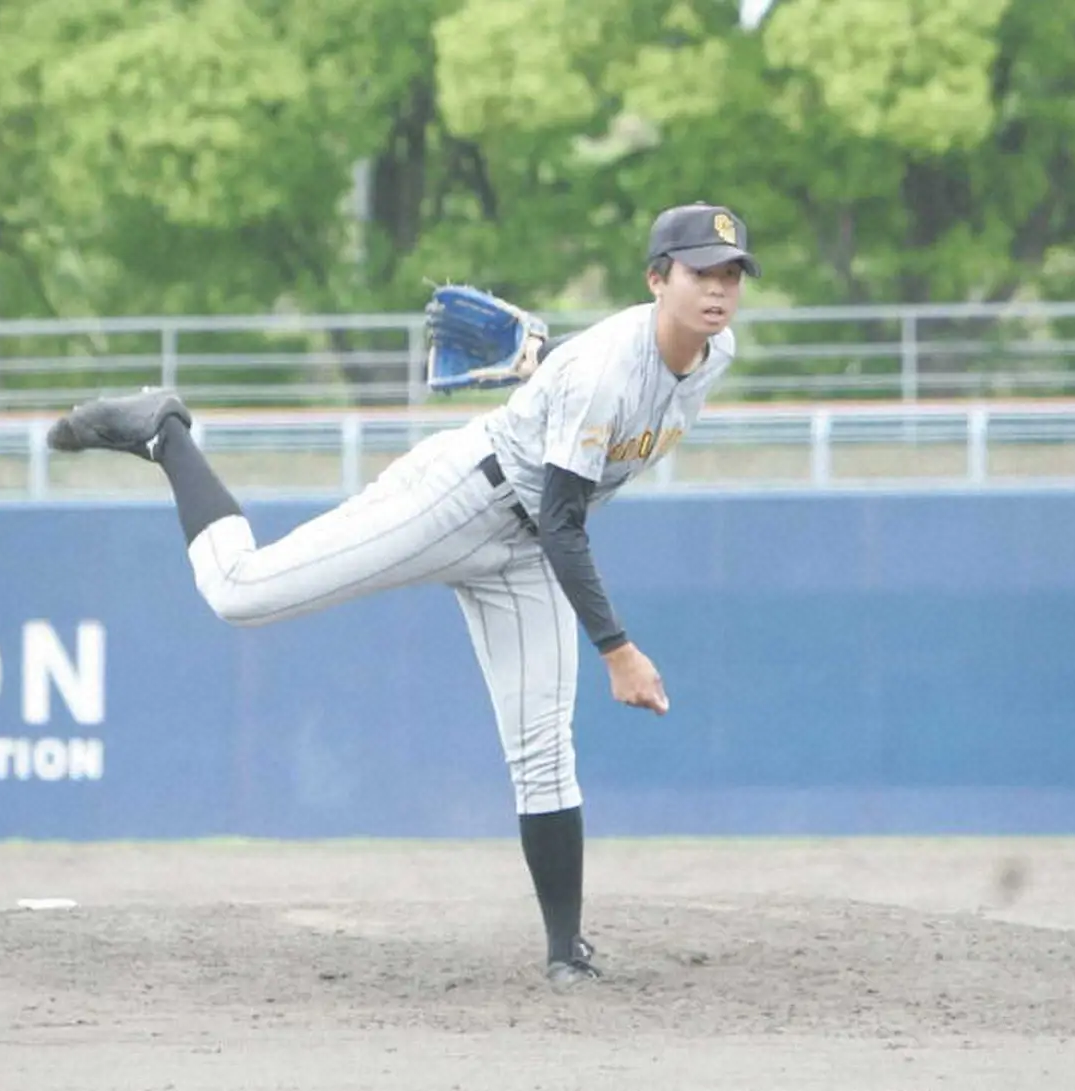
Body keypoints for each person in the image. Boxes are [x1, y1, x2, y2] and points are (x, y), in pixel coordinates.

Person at [47, 201, 761, 988]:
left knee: (544, 752)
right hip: (463, 496)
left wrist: (544, 360)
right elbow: (566, 516)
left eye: (731, 273)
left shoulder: (713, 351)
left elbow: (577, 462)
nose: (718, 287)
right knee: (240, 592)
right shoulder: (604, 372)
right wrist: (616, 649)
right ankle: (163, 431)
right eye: (699, 271)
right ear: (657, 278)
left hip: (526, 552)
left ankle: (565, 954)